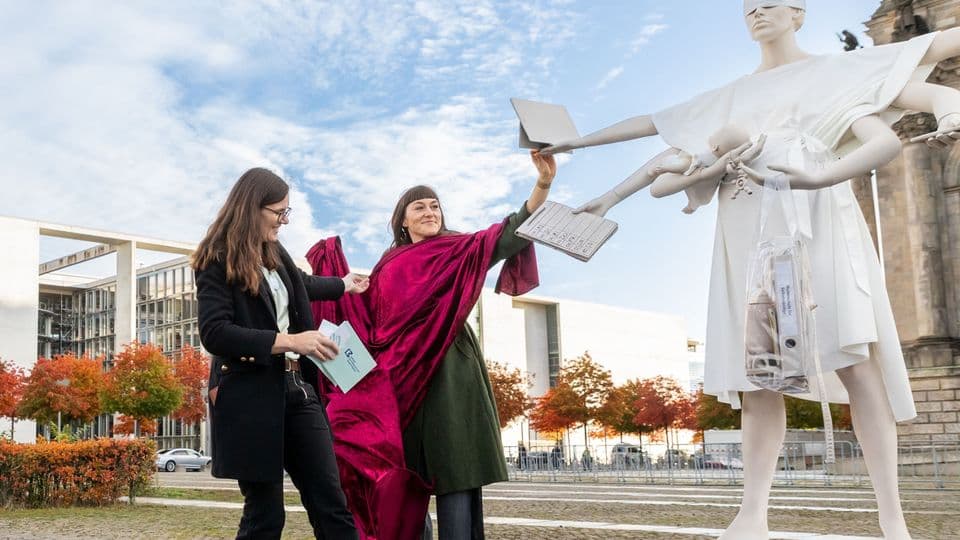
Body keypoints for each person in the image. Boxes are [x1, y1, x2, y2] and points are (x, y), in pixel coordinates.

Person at [544, 2, 960, 539]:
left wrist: (944, 107)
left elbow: (933, 58)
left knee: (858, 361)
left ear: (799, 13)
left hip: (818, 222)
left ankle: (891, 515)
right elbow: (658, 133)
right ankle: (752, 512)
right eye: (749, 7)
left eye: (770, 3)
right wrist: (586, 166)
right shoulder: (730, 96)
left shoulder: (838, 71)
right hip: (748, 232)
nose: (758, 12)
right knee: (758, 375)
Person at [307, 151, 555, 540]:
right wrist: (334, 279)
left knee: (456, 472)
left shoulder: (457, 250)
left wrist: (542, 184)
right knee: (402, 474)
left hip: (450, 377)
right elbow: (370, 321)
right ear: (402, 220)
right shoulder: (387, 264)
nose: (429, 211)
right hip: (399, 384)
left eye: (435, 205)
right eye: (419, 206)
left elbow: (509, 233)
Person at [193, 167, 368, 539]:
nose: (284, 221)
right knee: (266, 516)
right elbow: (215, 332)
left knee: (331, 505)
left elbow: (301, 285)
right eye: (280, 212)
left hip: (298, 391)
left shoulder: (274, 251)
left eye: (287, 213)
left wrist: (343, 284)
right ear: (252, 207)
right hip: (249, 398)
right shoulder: (216, 258)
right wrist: (289, 340)